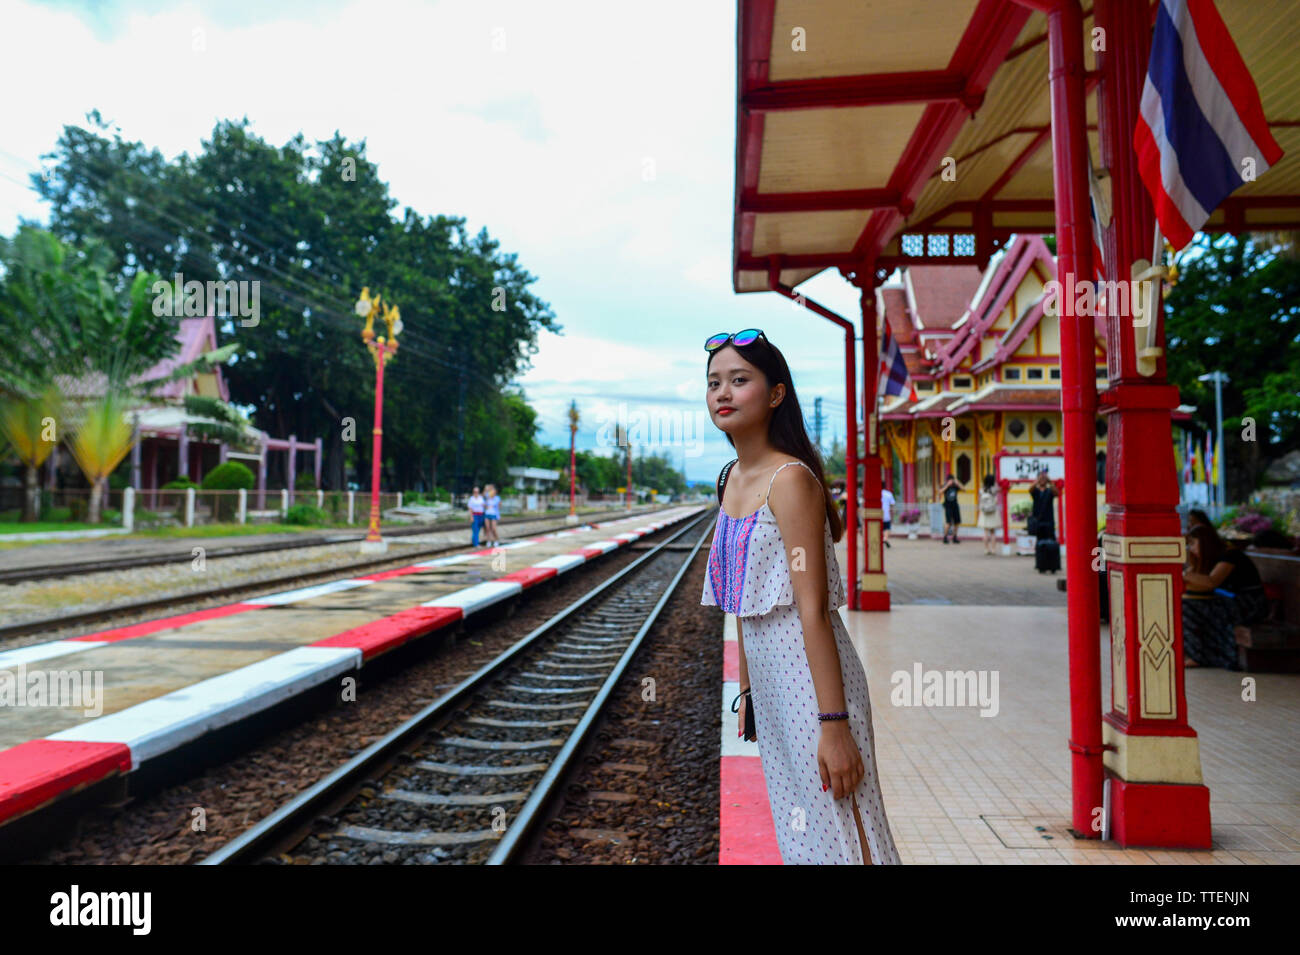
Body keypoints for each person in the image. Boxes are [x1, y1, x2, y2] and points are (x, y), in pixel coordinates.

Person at [700, 328, 901, 866]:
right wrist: (746, 690)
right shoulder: (731, 479)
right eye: (714, 382)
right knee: (803, 833)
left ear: (775, 394)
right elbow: (742, 599)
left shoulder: (790, 480)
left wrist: (833, 725)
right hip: (769, 686)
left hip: (816, 690)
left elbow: (812, 610)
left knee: (846, 830)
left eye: (740, 380)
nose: (723, 392)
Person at [1181, 524, 1267, 669]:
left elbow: (1212, 582)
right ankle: (1199, 654)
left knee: (1188, 609)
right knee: (1187, 605)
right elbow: (1198, 584)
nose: (1192, 549)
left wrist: (1184, 574)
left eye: (1194, 543)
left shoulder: (1230, 555)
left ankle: (1199, 656)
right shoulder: (1214, 558)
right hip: (1229, 600)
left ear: (1205, 543)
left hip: (1248, 604)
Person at [1029, 470, 1059, 573]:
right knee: (1039, 544)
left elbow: (1057, 493)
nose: (1042, 480)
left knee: (1052, 543)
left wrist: (1050, 482)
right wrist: (1037, 481)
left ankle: (1053, 565)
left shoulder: (1049, 491)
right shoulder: (1036, 492)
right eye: (1041, 478)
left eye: (1044, 479)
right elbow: (1030, 489)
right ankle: (1040, 564)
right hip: (1038, 522)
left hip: (1049, 522)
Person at [977, 474, 1001, 556]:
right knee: (993, 532)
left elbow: (979, 501)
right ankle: (993, 549)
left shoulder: (981, 490)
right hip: (993, 512)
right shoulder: (994, 490)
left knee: (985, 532)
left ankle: (986, 549)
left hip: (984, 513)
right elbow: (1003, 489)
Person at [940, 473, 961, 544]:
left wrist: (958, 483)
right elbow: (940, 492)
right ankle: (945, 537)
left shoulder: (955, 486)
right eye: (950, 480)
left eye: (952, 480)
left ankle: (955, 537)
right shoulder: (945, 486)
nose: (951, 482)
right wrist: (947, 485)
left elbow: (964, 489)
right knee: (948, 522)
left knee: (957, 522)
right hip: (948, 506)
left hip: (955, 505)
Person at [880, 484, 895, 549]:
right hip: (886, 514)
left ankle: (880, 539)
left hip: (877, 514)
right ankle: (885, 539)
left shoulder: (877, 494)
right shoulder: (889, 494)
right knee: (886, 528)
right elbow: (892, 504)